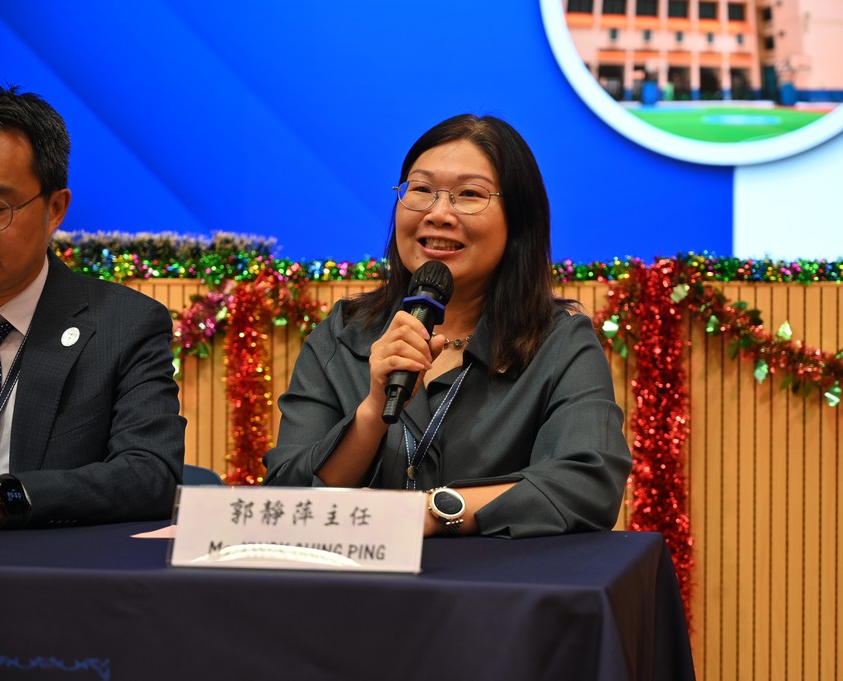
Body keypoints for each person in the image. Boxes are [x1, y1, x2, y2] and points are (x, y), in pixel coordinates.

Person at [264, 114, 632, 538]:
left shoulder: (559, 343)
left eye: (469, 194)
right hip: (354, 577)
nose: (438, 213)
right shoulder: (345, 333)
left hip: (496, 579)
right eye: (421, 189)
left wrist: (429, 512)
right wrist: (371, 413)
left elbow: (588, 484)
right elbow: (287, 496)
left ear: (518, 221)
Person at [0, 82, 185, 534]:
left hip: (44, 565)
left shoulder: (123, 325)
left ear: (54, 209)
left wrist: (3, 498)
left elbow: (152, 475)